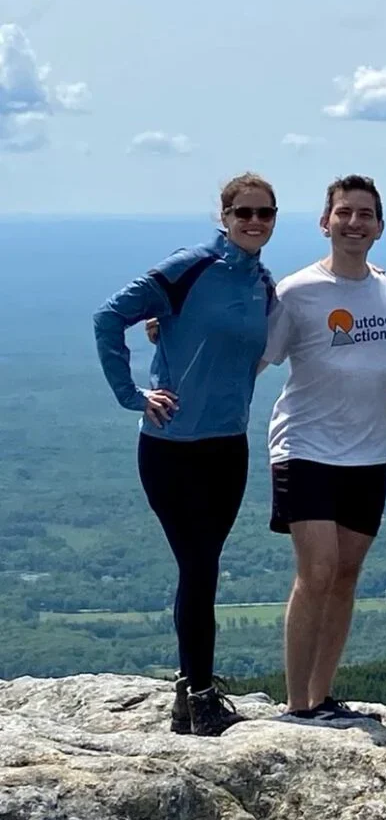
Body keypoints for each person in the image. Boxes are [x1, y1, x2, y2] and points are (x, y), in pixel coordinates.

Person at [91, 173, 279, 736]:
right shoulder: (188, 266)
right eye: (243, 212)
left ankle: (190, 690)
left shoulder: (261, 282)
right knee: (198, 566)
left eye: (265, 213)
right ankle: (199, 695)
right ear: (223, 215)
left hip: (229, 446)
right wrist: (133, 395)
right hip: (172, 448)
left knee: (205, 568)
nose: (254, 222)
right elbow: (108, 317)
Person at [264, 175, 386, 723]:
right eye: (344, 212)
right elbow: (255, 353)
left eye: (365, 214)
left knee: (345, 575)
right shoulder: (297, 291)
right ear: (325, 223)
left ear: (379, 228)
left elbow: (381, 357)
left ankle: (321, 697)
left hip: (368, 453)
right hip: (305, 445)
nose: (353, 222)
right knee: (317, 571)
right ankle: (297, 706)